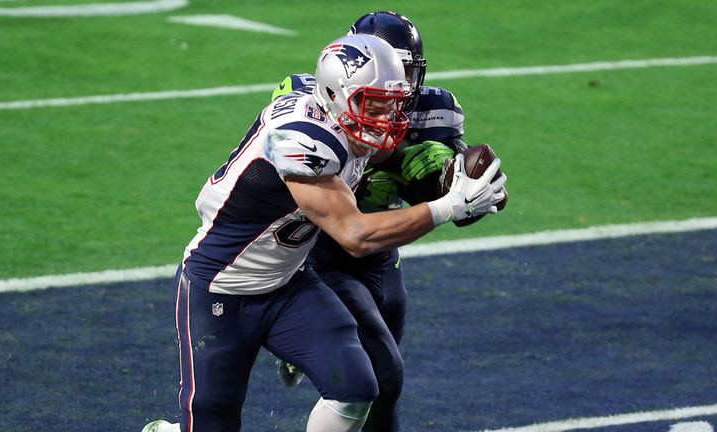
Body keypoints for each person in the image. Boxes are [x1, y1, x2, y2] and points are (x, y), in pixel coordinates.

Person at [142, 33, 506, 432]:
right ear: (335, 94)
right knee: (214, 422)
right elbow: (355, 234)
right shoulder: (301, 138)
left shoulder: (343, 120)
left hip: (288, 284)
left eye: (393, 104)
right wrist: (451, 204)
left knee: (356, 386)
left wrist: (449, 171)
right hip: (222, 287)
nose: (388, 117)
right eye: (375, 104)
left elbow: (398, 159)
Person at [271, 11, 486, 432]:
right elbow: (287, 180)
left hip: (381, 256)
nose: (396, 83)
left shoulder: (435, 111)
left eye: (404, 68)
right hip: (316, 250)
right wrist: (397, 163)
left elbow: (459, 200)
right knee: (383, 372)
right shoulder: (309, 99)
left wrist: (451, 183)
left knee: (383, 389)